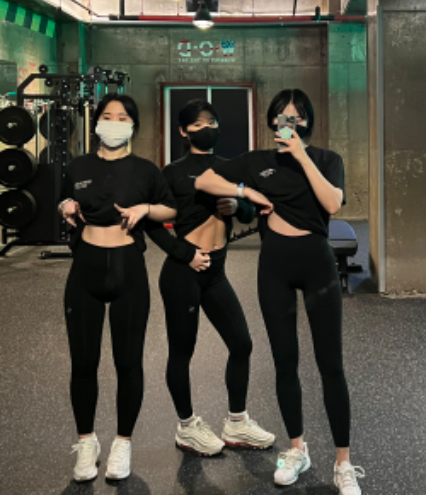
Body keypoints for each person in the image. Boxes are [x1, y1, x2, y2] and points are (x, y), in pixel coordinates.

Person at [195, 89, 365, 495]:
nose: (289, 122)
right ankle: (296, 449)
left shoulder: (326, 159)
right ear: (272, 121)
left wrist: (302, 156)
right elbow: (204, 179)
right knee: (284, 362)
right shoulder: (258, 162)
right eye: (282, 116)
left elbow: (333, 204)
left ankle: (343, 462)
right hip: (274, 268)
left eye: (297, 116)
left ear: (306, 122)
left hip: (317, 265)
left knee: (331, 365)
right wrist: (247, 192)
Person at [59, 94, 190, 484]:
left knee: (128, 363)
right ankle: (86, 442)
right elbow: (65, 199)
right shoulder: (78, 166)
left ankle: (123, 442)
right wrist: (65, 205)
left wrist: (145, 209)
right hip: (85, 271)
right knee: (83, 363)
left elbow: (170, 209)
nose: (113, 123)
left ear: (132, 126)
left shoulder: (146, 170)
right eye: (106, 116)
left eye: (121, 118)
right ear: (96, 122)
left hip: (128, 271)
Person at [145, 99, 275, 456]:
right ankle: (186, 427)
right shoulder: (172, 173)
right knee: (181, 352)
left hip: (216, 271)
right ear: (183, 131)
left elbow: (249, 212)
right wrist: (184, 254)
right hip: (183, 272)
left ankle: (237, 422)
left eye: (212, 122)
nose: (207, 128)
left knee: (242, 344)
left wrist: (237, 206)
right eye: (198, 124)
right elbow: (151, 223)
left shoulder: (228, 168)